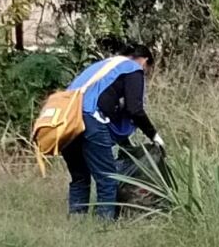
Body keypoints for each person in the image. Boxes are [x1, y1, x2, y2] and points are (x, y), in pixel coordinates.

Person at [62, 45, 163, 220]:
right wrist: (154, 135)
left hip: (66, 120)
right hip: (90, 120)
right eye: (147, 70)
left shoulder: (103, 66)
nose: (144, 73)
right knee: (108, 179)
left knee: (80, 177)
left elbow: (106, 102)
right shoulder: (133, 68)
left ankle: (76, 222)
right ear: (145, 61)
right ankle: (104, 225)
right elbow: (135, 109)